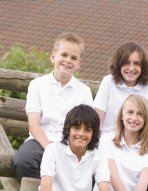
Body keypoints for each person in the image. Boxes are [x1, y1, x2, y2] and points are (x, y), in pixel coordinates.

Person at [13, 32, 93, 180]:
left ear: (78, 64)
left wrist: (69, 151)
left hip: (71, 144)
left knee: (84, 169)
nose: (68, 60)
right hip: (40, 141)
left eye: (74, 58)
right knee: (23, 161)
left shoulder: (84, 92)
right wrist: (51, 149)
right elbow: (34, 125)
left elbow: (85, 127)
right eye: (64, 55)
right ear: (53, 57)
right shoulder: (37, 85)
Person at [94, 41, 148, 134]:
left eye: (136, 63)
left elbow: (147, 124)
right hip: (106, 140)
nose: (131, 68)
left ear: (143, 67)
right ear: (119, 64)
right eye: (126, 63)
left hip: (133, 143)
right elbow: (97, 120)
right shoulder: (108, 81)